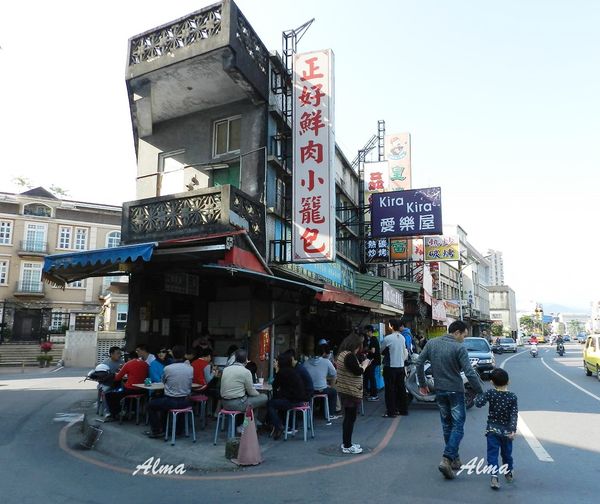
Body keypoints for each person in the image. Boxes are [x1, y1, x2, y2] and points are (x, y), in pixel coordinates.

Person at [416, 320, 483, 479]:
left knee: (447, 425)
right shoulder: (459, 348)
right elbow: (469, 372)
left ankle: (454, 459)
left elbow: (419, 363)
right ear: (457, 332)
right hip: (455, 391)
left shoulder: (432, 343)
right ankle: (446, 458)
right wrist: (480, 390)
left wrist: (423, 384)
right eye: (464, 336)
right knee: (458, 426)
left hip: (439, 390)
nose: (463, 339)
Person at [475, 368, 518, 490]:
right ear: (508, 382)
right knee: (507, 454)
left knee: (492, 455)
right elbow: (513, 414)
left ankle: (494, 477)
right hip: (506, 432)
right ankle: (508, 473)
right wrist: (512, 430)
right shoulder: (512, 397)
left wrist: (477, 396)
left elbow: (478, 403)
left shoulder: (490, 393)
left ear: (492, 382)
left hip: (492, 430)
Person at [145, 345, 193, 438]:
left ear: (172, 354)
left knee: (150, 405)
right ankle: (178, 430)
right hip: (185, 401)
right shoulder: (190, 368)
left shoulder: (168, 368)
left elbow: (163, 381)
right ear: (184, 355)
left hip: (171, 401)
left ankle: (157, 431)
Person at [336, 333, 370, 454]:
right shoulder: (349, 356)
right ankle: (347, 445)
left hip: (344, 389)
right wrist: (365, 365)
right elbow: (358, 371)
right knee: (350, 418)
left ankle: (347, 442)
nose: (359, 349)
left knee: (348, 418)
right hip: (350, 391)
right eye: (358, 346)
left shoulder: (341, 354)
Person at [267, 353, 309, 439]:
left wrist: (277, 371)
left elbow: (275, 385)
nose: (276, 363)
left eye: (277, 361)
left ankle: (278, 425)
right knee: (278, 402)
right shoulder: (293, 371)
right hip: (300, 399)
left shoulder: (282, 372)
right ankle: (280, 424)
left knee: (270, 404)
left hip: (292, 401)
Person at [220, 349, 268, 420]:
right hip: (237, 404)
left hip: (224, 403)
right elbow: (251, 392)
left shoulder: (226, 369)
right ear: (246, 360)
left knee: (253, 403)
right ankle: (246, 426)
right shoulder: (246, 372)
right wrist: (259, 395)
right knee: (264, 397)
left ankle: (248, 424)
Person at [104, 350, 149, 420]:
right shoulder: (145, 364)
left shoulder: (128, 364)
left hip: (130, 390)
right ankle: (131, 411)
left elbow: (118, 378)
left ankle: (116, 413)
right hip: (143, 390)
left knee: (109, 395)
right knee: (126, 393)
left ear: (129, 358)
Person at [381, 318, 409, 418]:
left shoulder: (387, 338)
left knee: (390, 390)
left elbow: (381, 350)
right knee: (401, 389)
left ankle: (391, 411)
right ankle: (403, 410)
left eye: (388, 325)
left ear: (392, 326)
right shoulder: (402, 338)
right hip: (401, 367)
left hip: (390, 367)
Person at [305, 343, 340, 421]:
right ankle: (330, 414)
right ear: (323, 353)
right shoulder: (326, 361)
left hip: (310, 390)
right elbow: (334, 373)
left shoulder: (306, 362)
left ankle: (319, 410)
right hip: (322, 389)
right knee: (333, 392)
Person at [362, 325, 381, 401]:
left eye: (367, 332)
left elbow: (373, 351)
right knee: (370, 376)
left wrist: (366, 350)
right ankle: (371, 393)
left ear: (370, 331)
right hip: (374, 360)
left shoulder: (373, 339)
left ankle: (374, 395)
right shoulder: (373, 339)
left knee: (372, 377)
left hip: (373, 361)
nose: (366, 333)